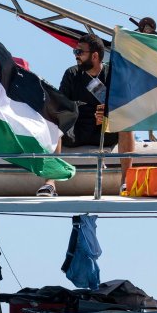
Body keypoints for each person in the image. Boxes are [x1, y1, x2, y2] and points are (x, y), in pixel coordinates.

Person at [37, 34, 117, 197]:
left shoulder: (113, 74)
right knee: (54, 122)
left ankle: (126, 181)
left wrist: (109, 117)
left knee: (127, 124)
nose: (76, 55)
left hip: (105, 131)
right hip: (76, 130)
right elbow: (61, 107)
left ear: (95, 56)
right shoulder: (71, 74)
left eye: (79, 52)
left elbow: (124, 107)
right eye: (75, 51)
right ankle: (50, 182)